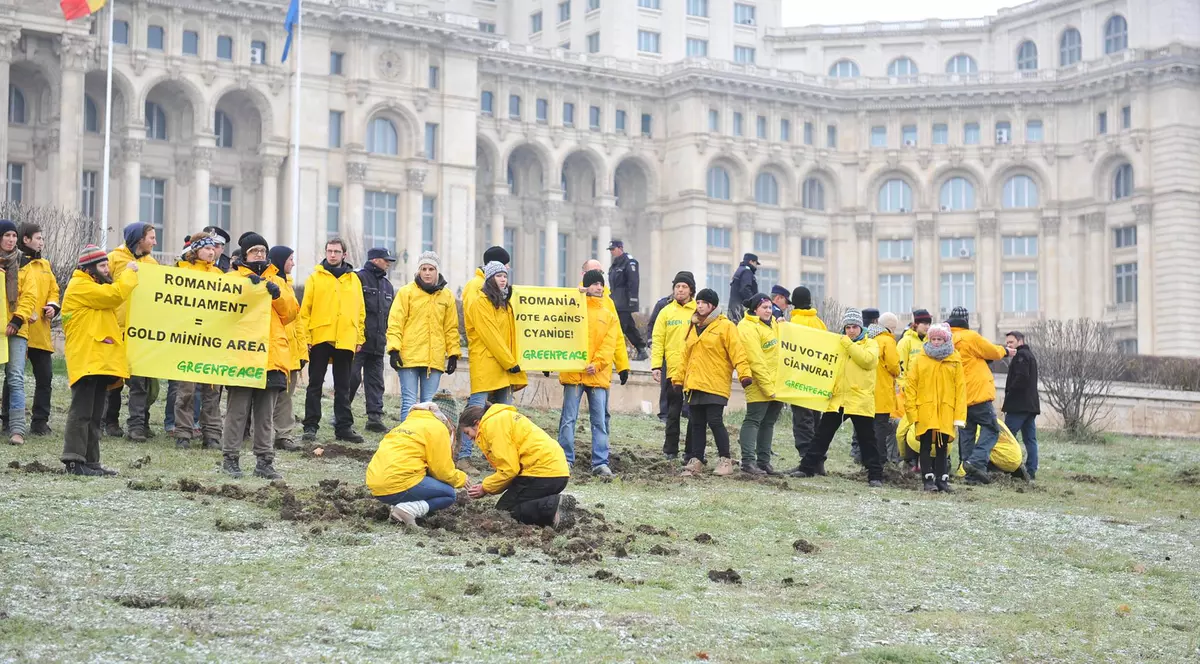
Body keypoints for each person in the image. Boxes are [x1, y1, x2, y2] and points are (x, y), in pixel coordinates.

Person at [221, 232, 298, 479]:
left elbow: (290, 313)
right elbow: (223, 311)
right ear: (244, 255)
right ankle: (230, 458)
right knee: (237, 411)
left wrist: (277, 295)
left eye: (263, 251)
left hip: (272, 357)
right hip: (242, 356)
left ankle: (264, 461)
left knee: (265, 415)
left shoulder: (277, 279)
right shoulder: (232, 278)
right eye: (255, 251)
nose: (260, 255)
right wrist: (247, 290)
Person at [59, 245, 139, 475]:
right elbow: (115, 295)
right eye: (103, 265)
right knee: (82, 411)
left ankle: (91, 462)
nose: (107, 269)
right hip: (87, 360)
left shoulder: (92, 285)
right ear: (90, 268)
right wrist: (130, 273)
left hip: (99, 360)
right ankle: (73, 460)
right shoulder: (80, 285)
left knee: (95, 415)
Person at [792, 309, 885, 487]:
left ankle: (875, 475)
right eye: (848, 327)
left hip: (859, 399)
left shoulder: (870, 344)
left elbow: (868, 361)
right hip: (838, 398)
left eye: (854, 327)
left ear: (861, 327)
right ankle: (806, 468)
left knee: (868, 439)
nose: (850, 331)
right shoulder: (839, 343)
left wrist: (848, 345)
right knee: (822, 435)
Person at [672, 288, 752, 477]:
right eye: (698, 302)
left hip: (716, 382)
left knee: (715, 421)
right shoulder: (692, 326)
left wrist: (744, 374)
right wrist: (677, 378)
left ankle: (725, 459)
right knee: (697, 422)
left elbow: (737, 352)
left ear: (712, 306)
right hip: (694, 383)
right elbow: (685, 355)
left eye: (703, 303)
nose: (699, 306)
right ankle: (696, 459)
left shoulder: (726, 326)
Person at [459, 403, 576, 529]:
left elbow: (509, 470)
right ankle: (554, 513)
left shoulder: (491, 426)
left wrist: (485, 487)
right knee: (517, 504)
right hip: (557, 471)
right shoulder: (501, 417)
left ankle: (553, 505)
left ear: (477, 423)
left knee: (506, 511)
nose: (469, 438)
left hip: (542, 473)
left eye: (467, 432)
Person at [460, 261, 527, 473]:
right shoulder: (481, 301)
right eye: (498, 276)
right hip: (487, 363)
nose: (503, 279)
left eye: (505, 276)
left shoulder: (505, 302)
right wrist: (511, 362)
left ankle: (503, 459)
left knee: (505, 414)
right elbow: (491, 336)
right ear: (489, 278)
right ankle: (464, 457)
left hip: (505, 365)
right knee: (475, 410)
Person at [299, 237, 366, 443]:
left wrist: (359, 336)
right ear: (326, 252)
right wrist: (306, 337)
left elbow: (360, 311)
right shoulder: (315, 278)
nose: (333, 255)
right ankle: (310, 425)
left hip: (346, 338)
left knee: (343, 386)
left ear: (344, 254)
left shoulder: (354, 279)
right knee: (315, 384)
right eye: (329, 251)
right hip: (320, 337)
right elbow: (305, 311)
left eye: (337, 251)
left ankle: (343, 427)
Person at [366, 394, 468, 526]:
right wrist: (461, 478)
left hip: (376, 484)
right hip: (398, 484)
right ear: (448, 419)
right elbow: (442, 471)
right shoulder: (438, 428)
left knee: (422, 476)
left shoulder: (409, 423)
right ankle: (407, 509)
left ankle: (398, 508)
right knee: (448, 494)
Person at [557, 269, 620, 477]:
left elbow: (609, 344)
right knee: (568, 418)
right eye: (594, 284)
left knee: (599, 420)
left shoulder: (608, 315)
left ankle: (600, 462)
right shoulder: (573, 309)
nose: (598, 287)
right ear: (586, 285)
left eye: (601, 284)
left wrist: (598, 363)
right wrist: (576, 295)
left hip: (597, 376)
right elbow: (557, 322)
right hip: (574, 374)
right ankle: (565, 459)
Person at [387, 250, 459, 424]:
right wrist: (394, 349)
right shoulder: (406, 292)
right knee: (409, 402)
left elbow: (450, 327)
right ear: (419, 270)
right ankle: (406, 440)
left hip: (433, 359)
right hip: (408, 357)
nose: (427, 272)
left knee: (430, 405)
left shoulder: (447, 296)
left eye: (431, 269)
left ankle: (425, 442)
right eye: (424, 268)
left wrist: (454, 353)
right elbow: (395, 322)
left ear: (437, 271)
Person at [103, 222, 159, 442]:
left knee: (139, 382)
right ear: (139, 239)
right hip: (115, 329)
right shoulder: (113, 259)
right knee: (111, 381)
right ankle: (109, 421)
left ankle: (137, 426)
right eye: (151, 237)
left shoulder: (152, 263)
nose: (155, 242)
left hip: (140, 333)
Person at [171, 231, 226, 450]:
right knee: (186, 390)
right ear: (196, 250)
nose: (211, 252)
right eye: (207, 248)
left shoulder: (220, 275)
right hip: (187, 340)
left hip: (211, 341)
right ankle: (183, 433)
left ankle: (211, 434)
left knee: (212, 390)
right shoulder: (179, 272)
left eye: (213, 248)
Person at [947, 306, 1011, 484]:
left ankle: (972, 476)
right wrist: (1006, 350)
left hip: (959, 397)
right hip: (977, 393)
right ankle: (975, 462)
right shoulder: (970, 337)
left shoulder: (946, 339)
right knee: (991, 429)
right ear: (966, 321)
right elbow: (992, 351)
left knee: (967, 435)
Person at [8, 224, 59, 439]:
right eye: (38, 238)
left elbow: (54, 290)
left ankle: (40, 421)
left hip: (40, 332)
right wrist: (20, 314)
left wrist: (53, 306)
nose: (42, 242)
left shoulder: (45, 265)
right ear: (26, 239)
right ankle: (7, 420)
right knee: (12, 378)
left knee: (45, 377)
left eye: (42, 238)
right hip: (18, 327)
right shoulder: (14, 263)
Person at [904, 323, 967, 492]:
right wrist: (912, 413)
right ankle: (927, 479)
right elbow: (911, 386)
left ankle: (942, 479)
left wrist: (959, 416)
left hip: (946, 410)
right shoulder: (920, 359)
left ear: (945, 340)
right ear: (929, 339)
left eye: (940, 339)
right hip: (925, 409)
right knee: (924, 446)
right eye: (934, 339)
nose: (937, 342)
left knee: (942, 447)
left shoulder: (954, 360)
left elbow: (960, 389)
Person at [650, 272, 696, 460]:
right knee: (672, 413)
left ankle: (692, 451)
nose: (680, 290)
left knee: (694, 414)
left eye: (684, 287)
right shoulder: (666, 311)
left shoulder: (698, 311)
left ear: (691, 290)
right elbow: (658, 339)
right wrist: (656, 366)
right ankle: (670, 450)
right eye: (677, 286)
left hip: (694, 371)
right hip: (673, 370)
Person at [350, 247, 396, 433]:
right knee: (351, 379)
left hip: (378, 343)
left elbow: (389, 316)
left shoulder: (387, 286)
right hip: (358, 342)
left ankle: (374, 418)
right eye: (386, 260)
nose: (388, 263)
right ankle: (341, 415)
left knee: (376, 381)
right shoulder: (358, 279)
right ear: (376, 260)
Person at [737, 293, 782, 475]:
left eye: (770, 307)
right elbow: (756, 360)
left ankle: (764, 462)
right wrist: (768, 387)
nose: (768, 311)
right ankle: (748, 461)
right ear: (755, 309)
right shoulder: (747, 327)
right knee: (754, 420)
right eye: (764, 307)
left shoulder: (773, 325)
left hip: (776, 383)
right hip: (759, 384)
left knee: (769, 422)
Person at [785, 285, 826, 473]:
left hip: (799, 379)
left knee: (802, 421)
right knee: (816, 422)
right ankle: (819, 461)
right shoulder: (819, 322)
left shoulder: (794, 322)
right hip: (817, 380)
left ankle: (806, 461)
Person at [269, 245, 304, 452]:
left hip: (290, 352)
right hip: (275, 351)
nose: (293, 263)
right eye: (290, 259)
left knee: (286, 398)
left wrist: (301, 353)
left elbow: (297, 323)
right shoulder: (271, 283)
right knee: (270, 398)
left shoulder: (288, 285)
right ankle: (265, 435)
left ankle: (283, 435)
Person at [578, 259, 630, 387]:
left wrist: (622, 365)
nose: (598, 274)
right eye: (595, 271)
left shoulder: (608, 302)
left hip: (600, 372)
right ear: (584, 274)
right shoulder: (574, 298)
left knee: (601, 407)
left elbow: (616, 335)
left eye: (601, 272)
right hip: (576, 369)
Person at [0, 219, 25, 444]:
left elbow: (29, 295)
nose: (11, 240)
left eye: (14, 236)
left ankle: (17, 430)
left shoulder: (23, 262)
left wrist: (17, 319)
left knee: (16, 378)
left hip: (17, 327)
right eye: (7, 235)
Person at [1003, 330, 1040, 480]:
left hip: (1018, 405)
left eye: (1011, 342)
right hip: (1030, 405)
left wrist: (1010, 393)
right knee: (1030, 439)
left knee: (1007, 435)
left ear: (1020, 341)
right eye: (1007, 343)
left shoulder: (1021, 356)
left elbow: (1022, 378)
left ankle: (1011, 465)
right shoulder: (1030, 355)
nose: (1009, 345)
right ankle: (1031, 469)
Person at [867, 311, 902, 464]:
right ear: (891, 328)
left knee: (869, 427)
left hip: (868, 389)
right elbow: (894, 366)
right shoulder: (888, 341)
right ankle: (880, 460)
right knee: (880, 427)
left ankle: (867, 458)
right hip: (882, 389)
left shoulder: (869, 337)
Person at [606, 239, 647, 361]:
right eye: (610, 250)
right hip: (616, 300)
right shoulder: (615, 264)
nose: (612, 252)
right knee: (628, 326)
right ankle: (641, 349)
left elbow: (633, 281)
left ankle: (612, 352)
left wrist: (633, 300)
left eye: (613, 249)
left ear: (620, 248)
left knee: (619, 327)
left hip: (624, 301)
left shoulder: (629, 262)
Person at [727, 253, 759, 324]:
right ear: (751, 261)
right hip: (740, 309)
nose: (756, 266)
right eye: (756, 263)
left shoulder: (740, 270)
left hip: (734, 308)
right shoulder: (747, 272)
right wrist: (753, 304)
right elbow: (745, 289)